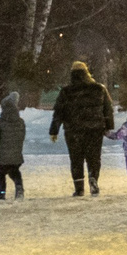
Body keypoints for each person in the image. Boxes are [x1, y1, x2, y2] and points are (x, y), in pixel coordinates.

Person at [49, 60, 115, 197]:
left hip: (74, 130)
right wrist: (109, 126)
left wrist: (54, 130)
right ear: (87, 73)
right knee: (94, 157)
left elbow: (58, 112)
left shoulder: (66, 91)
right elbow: (108, 110)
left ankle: (79, 188)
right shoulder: (99, 88)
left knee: (76, 159)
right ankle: (93, 179)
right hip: (95, 129)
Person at [0, 93, 27, 201]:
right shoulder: (20, 122)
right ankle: (19, 189)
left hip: (2, 155)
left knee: (1, 174)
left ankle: (1, 193)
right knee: (15, 172)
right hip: (16, 154)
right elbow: (21, 138)